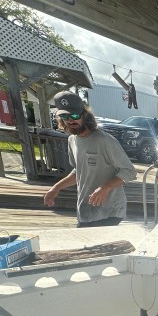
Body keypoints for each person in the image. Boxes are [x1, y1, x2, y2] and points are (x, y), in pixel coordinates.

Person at [43, 91, 136, 227]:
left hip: (109, 212)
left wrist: (105, 188)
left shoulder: (104, 140)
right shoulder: (72, 140)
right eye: (64, 116)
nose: (70, 120)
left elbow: (129, 172)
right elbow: (78, 172)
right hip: (86, 211)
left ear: (85, 116)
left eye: (75, 115)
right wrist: (56, 188)